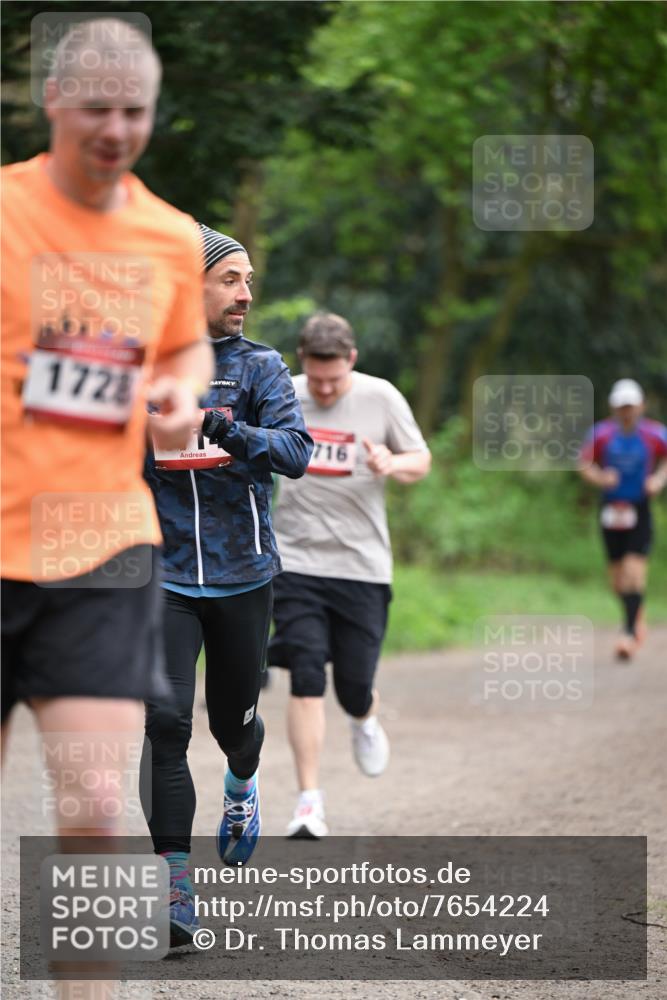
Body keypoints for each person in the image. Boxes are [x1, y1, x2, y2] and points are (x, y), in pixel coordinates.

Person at [1, 16, 213, 994]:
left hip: (98, 546)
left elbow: (180, 346)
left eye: (135, 111)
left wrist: (179, 390)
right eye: (97, 108)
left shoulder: (169, 237)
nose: (117, 129)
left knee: (91, 801)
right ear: (53, 104)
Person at [142, 224, 312, 945]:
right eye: (230, 279)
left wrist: (222, 426)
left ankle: (242, 786)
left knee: (228, 725)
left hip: (243, 575)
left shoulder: (262, 366)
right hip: (161, 575)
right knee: (166, 723)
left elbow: (295, 452)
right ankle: (177, 889)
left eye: (247, 280)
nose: (246, 293)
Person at [269, 312, 431, 838]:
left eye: (334, 379)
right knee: (306, 673)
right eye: (316, 378)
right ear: (302, 364)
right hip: (295, 561)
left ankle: (364, 719)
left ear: (352, 361)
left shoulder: (381, 397)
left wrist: (391, 463)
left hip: (361, 567)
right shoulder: (284, 393)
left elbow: (421, 460)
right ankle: (308, 802)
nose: (323, 388)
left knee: (354, 687)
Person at [579, 379, 667, 660]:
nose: (626, 412)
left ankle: (628, 634)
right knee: (618, 580)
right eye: (621, 407)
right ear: (613, 408)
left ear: (641, 406)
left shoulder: (655, 434)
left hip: (639, 509)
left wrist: (658, 480)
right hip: (611, 509)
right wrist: (600, 477)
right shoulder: (602, 434)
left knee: (633, 571)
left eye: (630, 406)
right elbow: (584, 462)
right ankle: (635, 615)